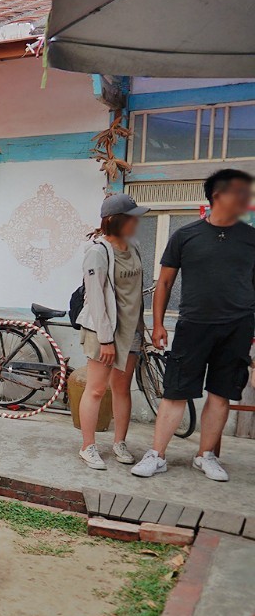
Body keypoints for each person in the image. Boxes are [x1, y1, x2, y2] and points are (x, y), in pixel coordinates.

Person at [132, 169, 255, 482]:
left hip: (238, 326)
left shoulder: (251, 239)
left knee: (221, 393)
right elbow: (165, 283)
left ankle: (206, 456)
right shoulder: (185, 235)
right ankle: (157, 455)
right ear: (217, 196)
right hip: (193, 325)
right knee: (176, 392)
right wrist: (158, 324)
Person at [76, 194, 150, 470]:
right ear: (117, 220)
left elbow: (135, 295)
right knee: (96, 390)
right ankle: (88, 446)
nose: (136, 222)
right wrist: (106, 340)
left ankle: (120, 442)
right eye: (133, 218)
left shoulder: (134, 248)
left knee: (122, 389)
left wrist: (145, 329)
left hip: (131, 331)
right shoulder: (98, 251)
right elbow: (96, 299)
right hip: (103, 331)